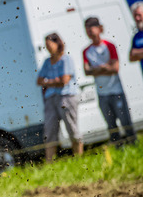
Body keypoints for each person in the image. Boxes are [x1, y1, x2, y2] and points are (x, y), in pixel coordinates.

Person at [83, 17, 137, 145]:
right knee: (111, 126)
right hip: (102, 94)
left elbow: (115, 68)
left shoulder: (109, 45)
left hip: (116, 91)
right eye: (87, 29)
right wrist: (104, 67)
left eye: (91, 28)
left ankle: (134, 146)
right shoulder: (86, 51)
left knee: (126, 122)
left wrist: (97, 69)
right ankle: (118, 148)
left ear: (99, 28)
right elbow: (87, 71)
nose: (89, 31)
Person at [37, 33, 83, 163]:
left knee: (72, 128)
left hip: (66, 97)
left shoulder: (66, 60)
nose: (48, 48)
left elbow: (64, 81)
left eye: (49, 45)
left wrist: (48, 82)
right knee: (49, 131)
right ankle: (49, 163)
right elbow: (39, 81)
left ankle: (79, 159)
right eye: (46, 46)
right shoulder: (47, 62)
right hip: (51, 99)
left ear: (57, 43)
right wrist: (55, 81)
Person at [129, 1, 143, 74]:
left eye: (139, 15)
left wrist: (137, 53)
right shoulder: (137, 36)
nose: (137, 18)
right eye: (135, 16)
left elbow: (135, 53)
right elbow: (131, 57)